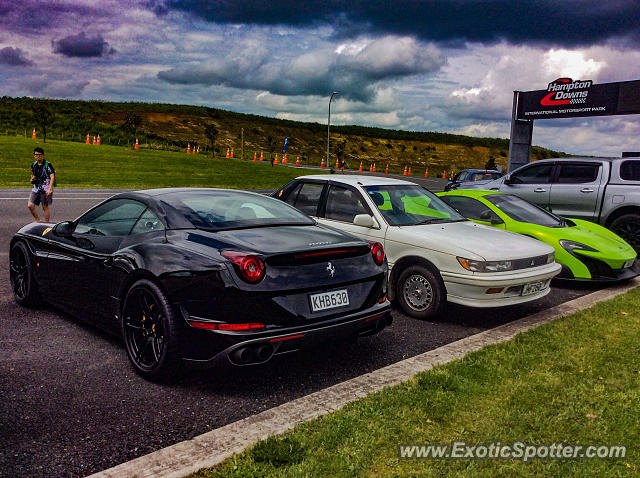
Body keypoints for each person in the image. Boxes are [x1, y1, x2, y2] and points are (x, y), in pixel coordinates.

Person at [28, 147, 55, 222]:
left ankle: (46, 224)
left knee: (44, 207)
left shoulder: (47, 165)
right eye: (36, 155)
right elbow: (33, 174)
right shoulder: (34, 164)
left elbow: (52, 177)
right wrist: (31, 179)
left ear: (43, 155)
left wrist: (50, 189)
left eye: (40, 155)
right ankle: (38, 221)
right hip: (36, 188)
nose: (38, 156)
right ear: (34, 156)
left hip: (45, 188)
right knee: (30, 205)